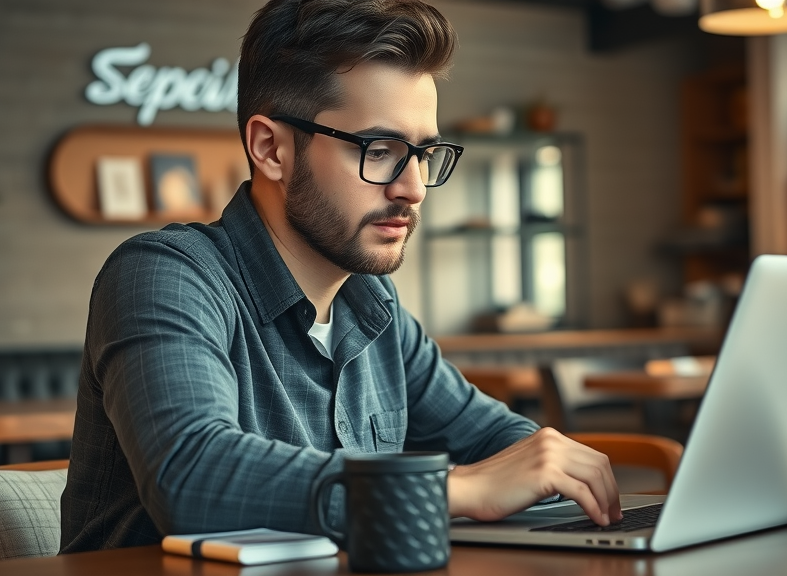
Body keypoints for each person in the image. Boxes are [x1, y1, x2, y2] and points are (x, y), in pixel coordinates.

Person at [60, 0, 621, 553]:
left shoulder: (373, 308)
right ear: (270, 148)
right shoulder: (165, 275)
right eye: (379, 150)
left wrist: (541, 469)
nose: (414, 188)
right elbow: (190, 472)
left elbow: (502, 446)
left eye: (424, 153)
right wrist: (453, 488)